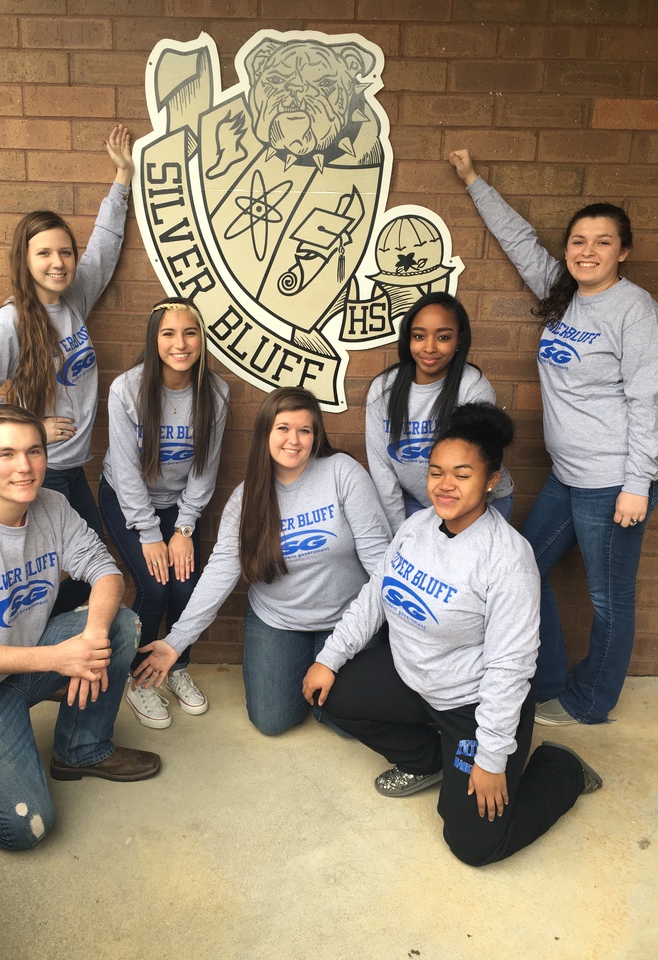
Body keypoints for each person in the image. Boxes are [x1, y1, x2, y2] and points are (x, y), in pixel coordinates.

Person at [303, 403, 601, 868]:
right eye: (436, 471)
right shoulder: (416, 526)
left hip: (471, 704)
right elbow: (375, 595)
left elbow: (511, 666)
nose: (445, 485)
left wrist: (491, 757)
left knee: (475, 845)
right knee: (332, 694)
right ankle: (430, 761)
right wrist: (330, 657)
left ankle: (562, 769)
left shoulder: (507, 558)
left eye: (462, 474)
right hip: (412, 679)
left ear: (491, 480)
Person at [448, 148, 658, 726]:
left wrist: (637, 484)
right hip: (569, 478)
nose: (588, 251)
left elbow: (648, 400)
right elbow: (519, 240)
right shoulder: (564, 293)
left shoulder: (634, 310)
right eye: (579, 241)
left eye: (603, 242)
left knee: (608, 601)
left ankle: (590, 703)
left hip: (614, 480)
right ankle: (547, 681)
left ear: (625, 251)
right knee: (525, 569)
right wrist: (471, 180)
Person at [0, 405, 160, 852]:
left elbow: (105, 570)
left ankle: (82, 749)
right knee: (28, 827)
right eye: (6, 454)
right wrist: (58, 659)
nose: (24, 466)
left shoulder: (52, 505)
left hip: (20, 667)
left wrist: (93, 639)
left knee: (118, 623)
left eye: (34, 451)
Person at [132, 387, 392, 736]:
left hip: (345, 617)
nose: (294, 440)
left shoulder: (342, 473)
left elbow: (382, 567)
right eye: (283, 428)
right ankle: (305, 671)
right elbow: (221, 572)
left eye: (305, 430)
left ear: (316, 436)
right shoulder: (247, 497)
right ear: (266, 433)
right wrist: (175, 642)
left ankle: (324, 676)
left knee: (346, 723)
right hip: (279, 619)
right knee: (272, 721)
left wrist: (342, 653)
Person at [0, 124, 134, 616]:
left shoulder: (73, 299)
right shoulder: (11, 320)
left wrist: (122, 178)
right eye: (44, 253)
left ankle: (61, 653)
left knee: (83, 570)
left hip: (72, 469)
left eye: (63, 252)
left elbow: (102, 247)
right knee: (75, 575)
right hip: (42, 473)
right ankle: (46, 658)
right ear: (25, 259)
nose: (58, 262)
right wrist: (33, 427)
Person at [99, 297, 230, 729]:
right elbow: (125, 470)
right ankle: (137, 681)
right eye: (168, 333)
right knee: (155, 589)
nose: (180, 343)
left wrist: (185, 525)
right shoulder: (127, 389)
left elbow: (205, 469)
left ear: (201, 338)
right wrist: (151, 533)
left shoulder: (215, 392)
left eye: (190, 332)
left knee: (185, 586)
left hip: (178, 506)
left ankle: (173, 667)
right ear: (154, 338)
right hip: (127, 501)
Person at [366, 291, 514, 535]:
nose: (429, 347)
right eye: (419, 336)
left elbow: (472, 469)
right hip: (414, 501)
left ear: (459, 340)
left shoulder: (472, 387)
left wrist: (451, 536)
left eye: (443, 337)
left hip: (476, 501)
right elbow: (382, 471)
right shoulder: (384, 389)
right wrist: (398, 533)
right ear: (408, 339)